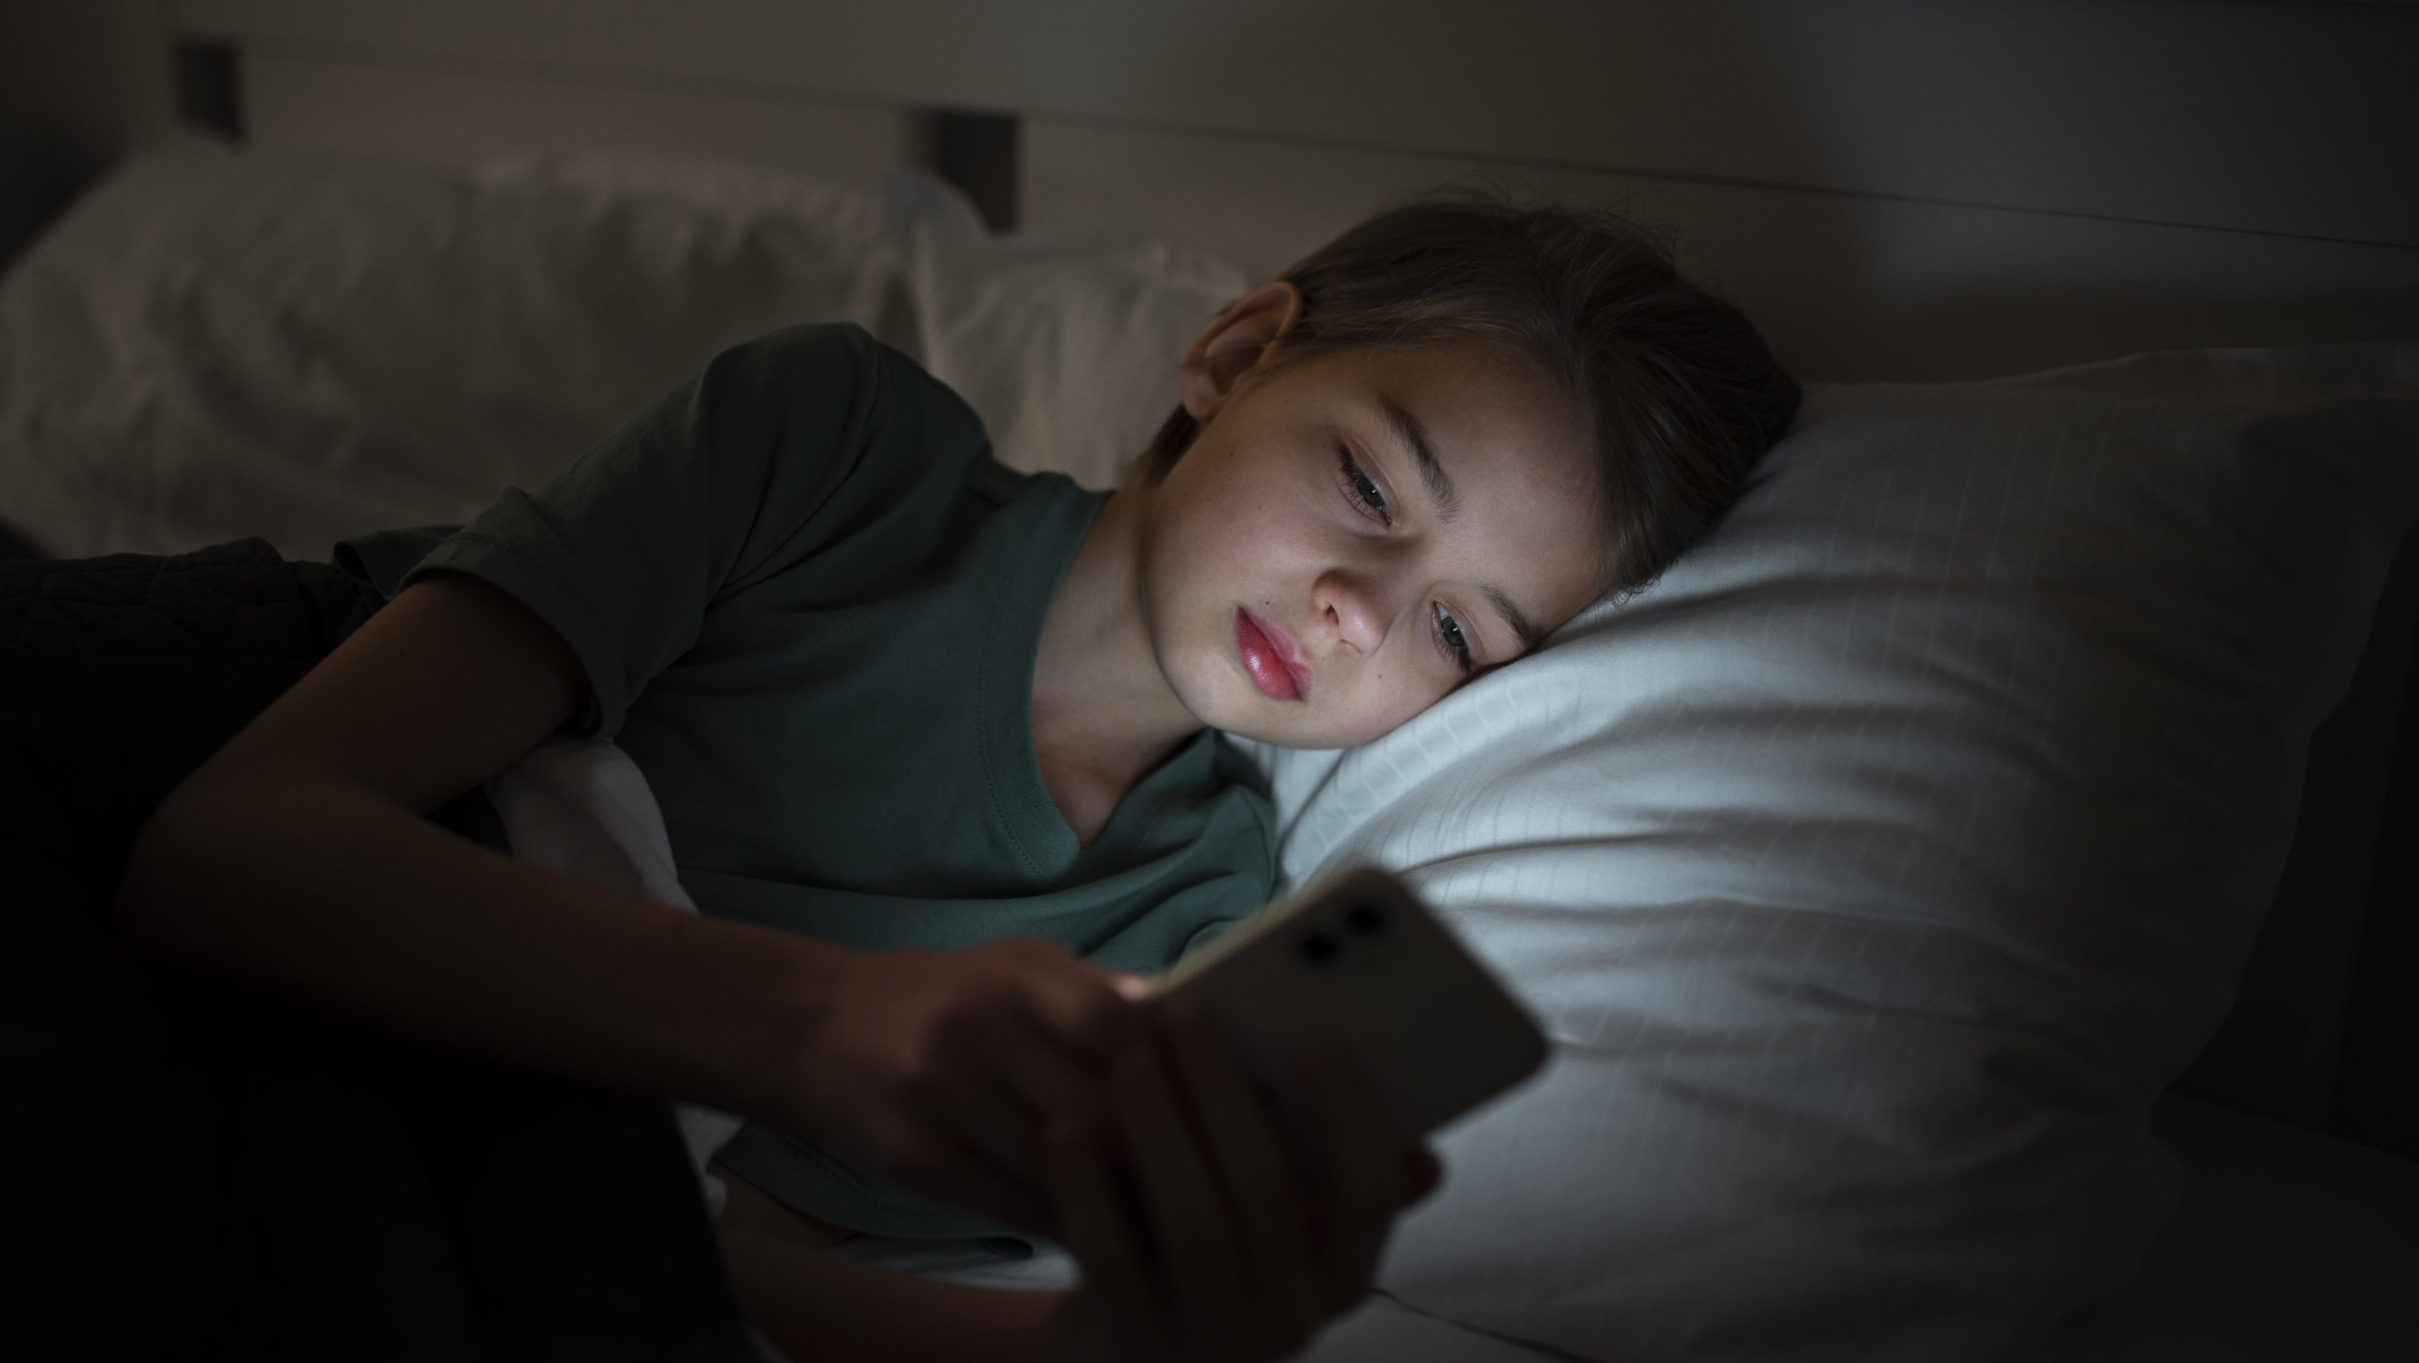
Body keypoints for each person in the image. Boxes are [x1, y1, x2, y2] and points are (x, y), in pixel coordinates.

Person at [109, 196, 1800, 1361]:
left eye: (1455, 630)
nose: (1360, 609)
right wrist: (813, 1021)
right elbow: (230, 846)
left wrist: (1092, 1343)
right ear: (1235, 356)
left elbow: (701, 1262)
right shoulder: (836, 448)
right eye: (1368, 483)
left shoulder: (1197, 924)